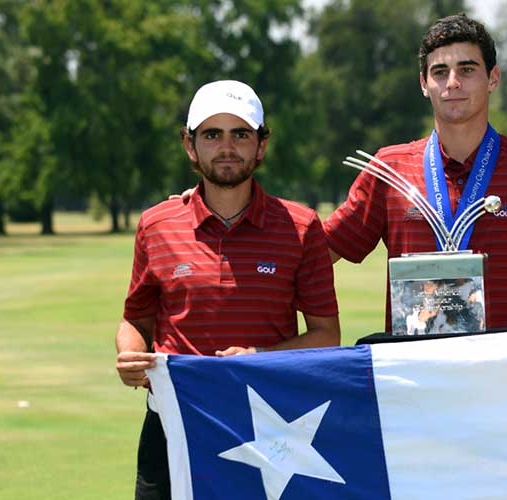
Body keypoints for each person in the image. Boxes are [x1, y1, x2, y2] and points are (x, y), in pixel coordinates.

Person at [114, 80, 340, 500]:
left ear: (261, 145)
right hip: (173, 423)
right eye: (212, 134)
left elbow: (327, 335)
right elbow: (135, 319)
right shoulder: (156, 224)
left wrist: (259, 360)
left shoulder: (301, 226)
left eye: (240, 133)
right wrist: (129, 353)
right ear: (190, 145)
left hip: (271, 428)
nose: (227, 146)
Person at [322, 14, 507, 333]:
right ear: (423, 84)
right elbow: (316, 255)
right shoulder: (389, 169)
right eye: (440, 72)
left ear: (493, 78)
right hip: (417, 376)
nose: (453, 82)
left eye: (467, 70)